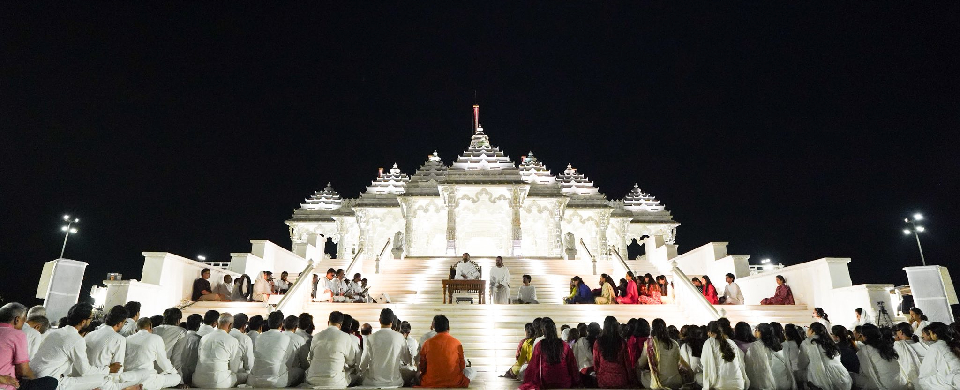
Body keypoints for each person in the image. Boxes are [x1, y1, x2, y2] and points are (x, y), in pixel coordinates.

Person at [30, 303, 138, 390]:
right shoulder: (76, 339)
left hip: (35, 375)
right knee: (102, 380)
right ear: (83, 321)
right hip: (50, 382)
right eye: (90, 318)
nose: (91, 321)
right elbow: (85, 371)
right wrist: (108, 369)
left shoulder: (55, 332)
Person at [0, 303, 58, 390]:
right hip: (7, 385)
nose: (24, 325)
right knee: (51, 381)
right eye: (23, 320)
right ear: (17, 320)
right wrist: (34, 380)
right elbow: (23, 371)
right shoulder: (17, 334)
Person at [519, 317, 579, 390]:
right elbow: (572, 365)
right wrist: (575, 381)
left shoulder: (539, 345)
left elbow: (533, 366)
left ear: (542, 330)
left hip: (545, 382)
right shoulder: (564, 345)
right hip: (564, 382)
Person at [249, 312, 305, 388]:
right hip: (276, 381)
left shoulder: (259, 337)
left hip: (254, 380)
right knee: (300, 372)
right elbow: (289, 362)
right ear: (281, 324)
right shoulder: (286, 338)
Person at [305, 311, 359, 389]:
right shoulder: (345, 336)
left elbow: (310, 358)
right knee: (355, 375)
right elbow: (351, 361)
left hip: (312, 380)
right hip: (334, 382)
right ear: (340, 325)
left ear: (328, 322)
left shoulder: (317, 336)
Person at [123, 318, 181, 390]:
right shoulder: (156, 338)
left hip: (129, 377)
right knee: (177, 378)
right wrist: (173, 372)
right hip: (147, 379)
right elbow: (162, 361)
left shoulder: (127, 339)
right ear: (150, 326)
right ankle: (140, 386)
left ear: (137, 328)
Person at [418, 315, 475, 388]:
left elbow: (422, 367)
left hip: (430, 381)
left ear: (434, 328)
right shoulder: (457, 343)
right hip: (454, 381)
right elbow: (462, 366)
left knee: (417, 375)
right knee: (473, 371)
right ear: (449, 328)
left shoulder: (427, 343)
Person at [193, 313, 242, 388]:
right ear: (230, 325)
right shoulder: (232, 340)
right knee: (241, 375)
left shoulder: (204, 338)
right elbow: (234, 368)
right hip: (218, 382)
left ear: (217, 323)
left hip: (198, 380)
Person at [798, 322, 852, 390]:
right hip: (841, 376)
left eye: (809, 329)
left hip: (820, 379)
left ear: (812, 331)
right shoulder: (830, 342)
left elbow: (802, 363)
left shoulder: (807, 343)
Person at [360, 308, 406, 388]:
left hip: (374, 383)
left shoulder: (371, 338)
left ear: (379, 320)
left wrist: (360, 370)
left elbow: (363, 363)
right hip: (394, 382)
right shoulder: (400, 337)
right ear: (392, 322)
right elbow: (407, 360)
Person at [854, 323, 907, 390]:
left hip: (886, 386)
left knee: (852, 377)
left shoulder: (865, 350)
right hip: (899, 382)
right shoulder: (887, 345)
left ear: (864, 337)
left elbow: (867, 372)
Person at [744, 323, 795, 390]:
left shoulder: (756, 345)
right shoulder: (777, 343)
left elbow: (760, 367)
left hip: (770, 382)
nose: (755, 332)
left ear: (761, 332)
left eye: (756, 330)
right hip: (784, 379)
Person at [701, 320, 749, 389]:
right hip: (739, 383)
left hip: (721, 385)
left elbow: (704, 362)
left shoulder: (709, 343)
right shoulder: (731, 342)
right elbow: (741, 362)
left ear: (710, 332)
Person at [637, 318, 682, 389]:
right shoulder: (674, 343)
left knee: (639, 370)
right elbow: (678, 363)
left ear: (652, 329)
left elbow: (641, 363)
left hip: (660, 383)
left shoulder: (649, 344)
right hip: (676, 381)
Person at [83, 305, 128, 376]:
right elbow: (117, 369)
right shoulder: (119, 339)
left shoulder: (90, 334)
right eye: (124, 323)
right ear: (119, 323)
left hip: (82, 376)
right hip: (101, 379)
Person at [593, 316, 633, 388]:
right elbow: (627, 363)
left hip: (604, 379)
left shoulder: (598, 342)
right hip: (620, 379)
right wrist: (630, 378)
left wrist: (598, 374)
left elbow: (596, 362)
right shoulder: (621, 342)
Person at [917, 322, 960, 389]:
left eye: (930, 333)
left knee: (923, 380)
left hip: (954, 378)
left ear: (935, 334)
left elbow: (926, 371)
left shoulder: (935, 347)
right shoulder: (953, 343)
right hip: (955, 377)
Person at [171, 314, 201, 385]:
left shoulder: (180, 336)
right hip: (192, 375)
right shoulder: (199, 340)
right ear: (198, 326)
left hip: (177, 372)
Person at [892, 322, 923, 387]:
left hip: (913, 381)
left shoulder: (899, 344)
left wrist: (895, 340)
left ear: (900, 332)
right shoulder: (921, 344)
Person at [228, 313, 255, 381]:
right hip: (234, 376)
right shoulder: (245, 339)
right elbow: (249, 365)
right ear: (244, 326)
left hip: (222, 374)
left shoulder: (226, 335)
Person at [573, 322, 600, 387]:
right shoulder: (600, 343)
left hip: (583, 372)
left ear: (587, 331)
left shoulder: (580, 342)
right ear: (599, 331)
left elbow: (575, 356)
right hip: (598, 372)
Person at [398, 322, 419, 386]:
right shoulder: (414, 341)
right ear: (409, 332)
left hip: (397, 371)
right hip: (409, 371)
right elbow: (415, 358)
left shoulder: (396, 340)